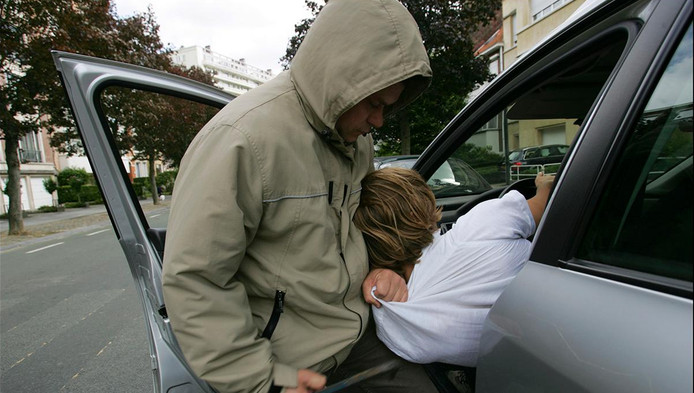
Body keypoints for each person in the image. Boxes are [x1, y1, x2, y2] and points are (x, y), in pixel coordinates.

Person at [161, 1, 437, 392]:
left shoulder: (357, 141)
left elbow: (361, 229)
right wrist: (262, 381)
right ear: (341, 81)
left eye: (386, 108)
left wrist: (384, 268)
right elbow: (196, 281)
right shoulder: (241, 140)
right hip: (284, 365)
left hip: (360, 337)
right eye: (374, 104)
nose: (378, 121)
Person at [354, 167, 555, 367]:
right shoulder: (480, 226)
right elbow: (547, 204)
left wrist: (380, 269)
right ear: (422, 205)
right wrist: (544, 185)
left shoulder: (392, 317)